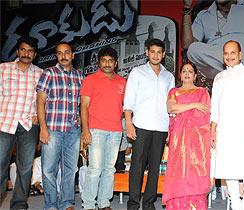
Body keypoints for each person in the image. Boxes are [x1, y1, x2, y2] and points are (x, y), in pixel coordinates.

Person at [210, 40, 244, 210]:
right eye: (226, 53)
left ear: (240, 55)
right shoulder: (219, 77)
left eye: (233, 53)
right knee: (229, 169)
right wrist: (213, 131)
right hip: (225, 131)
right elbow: (215, 108)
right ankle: (235, 204)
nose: (229, 56)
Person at [124, 38, 175, 210]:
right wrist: (129, 124)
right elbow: (128, 101)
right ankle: (133, 204)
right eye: (152, 52)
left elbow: (171, 104)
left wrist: (171, 128)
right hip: (141, 125)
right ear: (147, 52)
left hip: (161, 127)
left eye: (159, 52)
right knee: (137, 167)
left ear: (163, 54)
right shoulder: (137, 72)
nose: (155, 55)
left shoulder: (169, 76)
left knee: (155, 168)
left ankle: (148, 204)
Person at [37, 42, 83, 210]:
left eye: (67, 52)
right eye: (60, 53)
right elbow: (40, 102)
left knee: (70, 169)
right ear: (56, 56)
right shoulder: (48, 73)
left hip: (74, 129)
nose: (63, 56)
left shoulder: (79, 76)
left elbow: (82, 105)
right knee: (49, 170)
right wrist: (43, 128)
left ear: (73, 55)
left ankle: (67, 203)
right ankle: (50, 205)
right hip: (53, 128)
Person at [80, 47, 126, 210]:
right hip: (96, 130)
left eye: (111, 61)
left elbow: (125, 109)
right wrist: (85, 131)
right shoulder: (90, 80)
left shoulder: (122, 82)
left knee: (109, 169)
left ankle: (104, 202)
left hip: (116, 131)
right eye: (104, 60)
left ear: (116, 63)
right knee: (95, 168)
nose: (107, 64)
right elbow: (84, 106)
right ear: (99, 62)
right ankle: (89, 204)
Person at [0, 37, 43, 209]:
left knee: (25, 167)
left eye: (30, 51)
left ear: (35, 54)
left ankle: (18, 204)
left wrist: (39, 116)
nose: (27, 54)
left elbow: (43, 100)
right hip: (4, 122)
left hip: (28, 125)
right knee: (0, 165)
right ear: (17, 52)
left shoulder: (40, 74)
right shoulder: (3, 69)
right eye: (23, 50)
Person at [162, 62, 211, 209]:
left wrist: (183, 110)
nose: (187, 73)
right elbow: (171, 107)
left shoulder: (203, 92)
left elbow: (203, 115)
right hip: (177, 138)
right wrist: (194, 105)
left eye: (190, 71)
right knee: (178, 171)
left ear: (195, 75)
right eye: (184, 71)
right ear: (180, 75)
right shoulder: (173, 92)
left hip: (197, 139)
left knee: (195, 170)